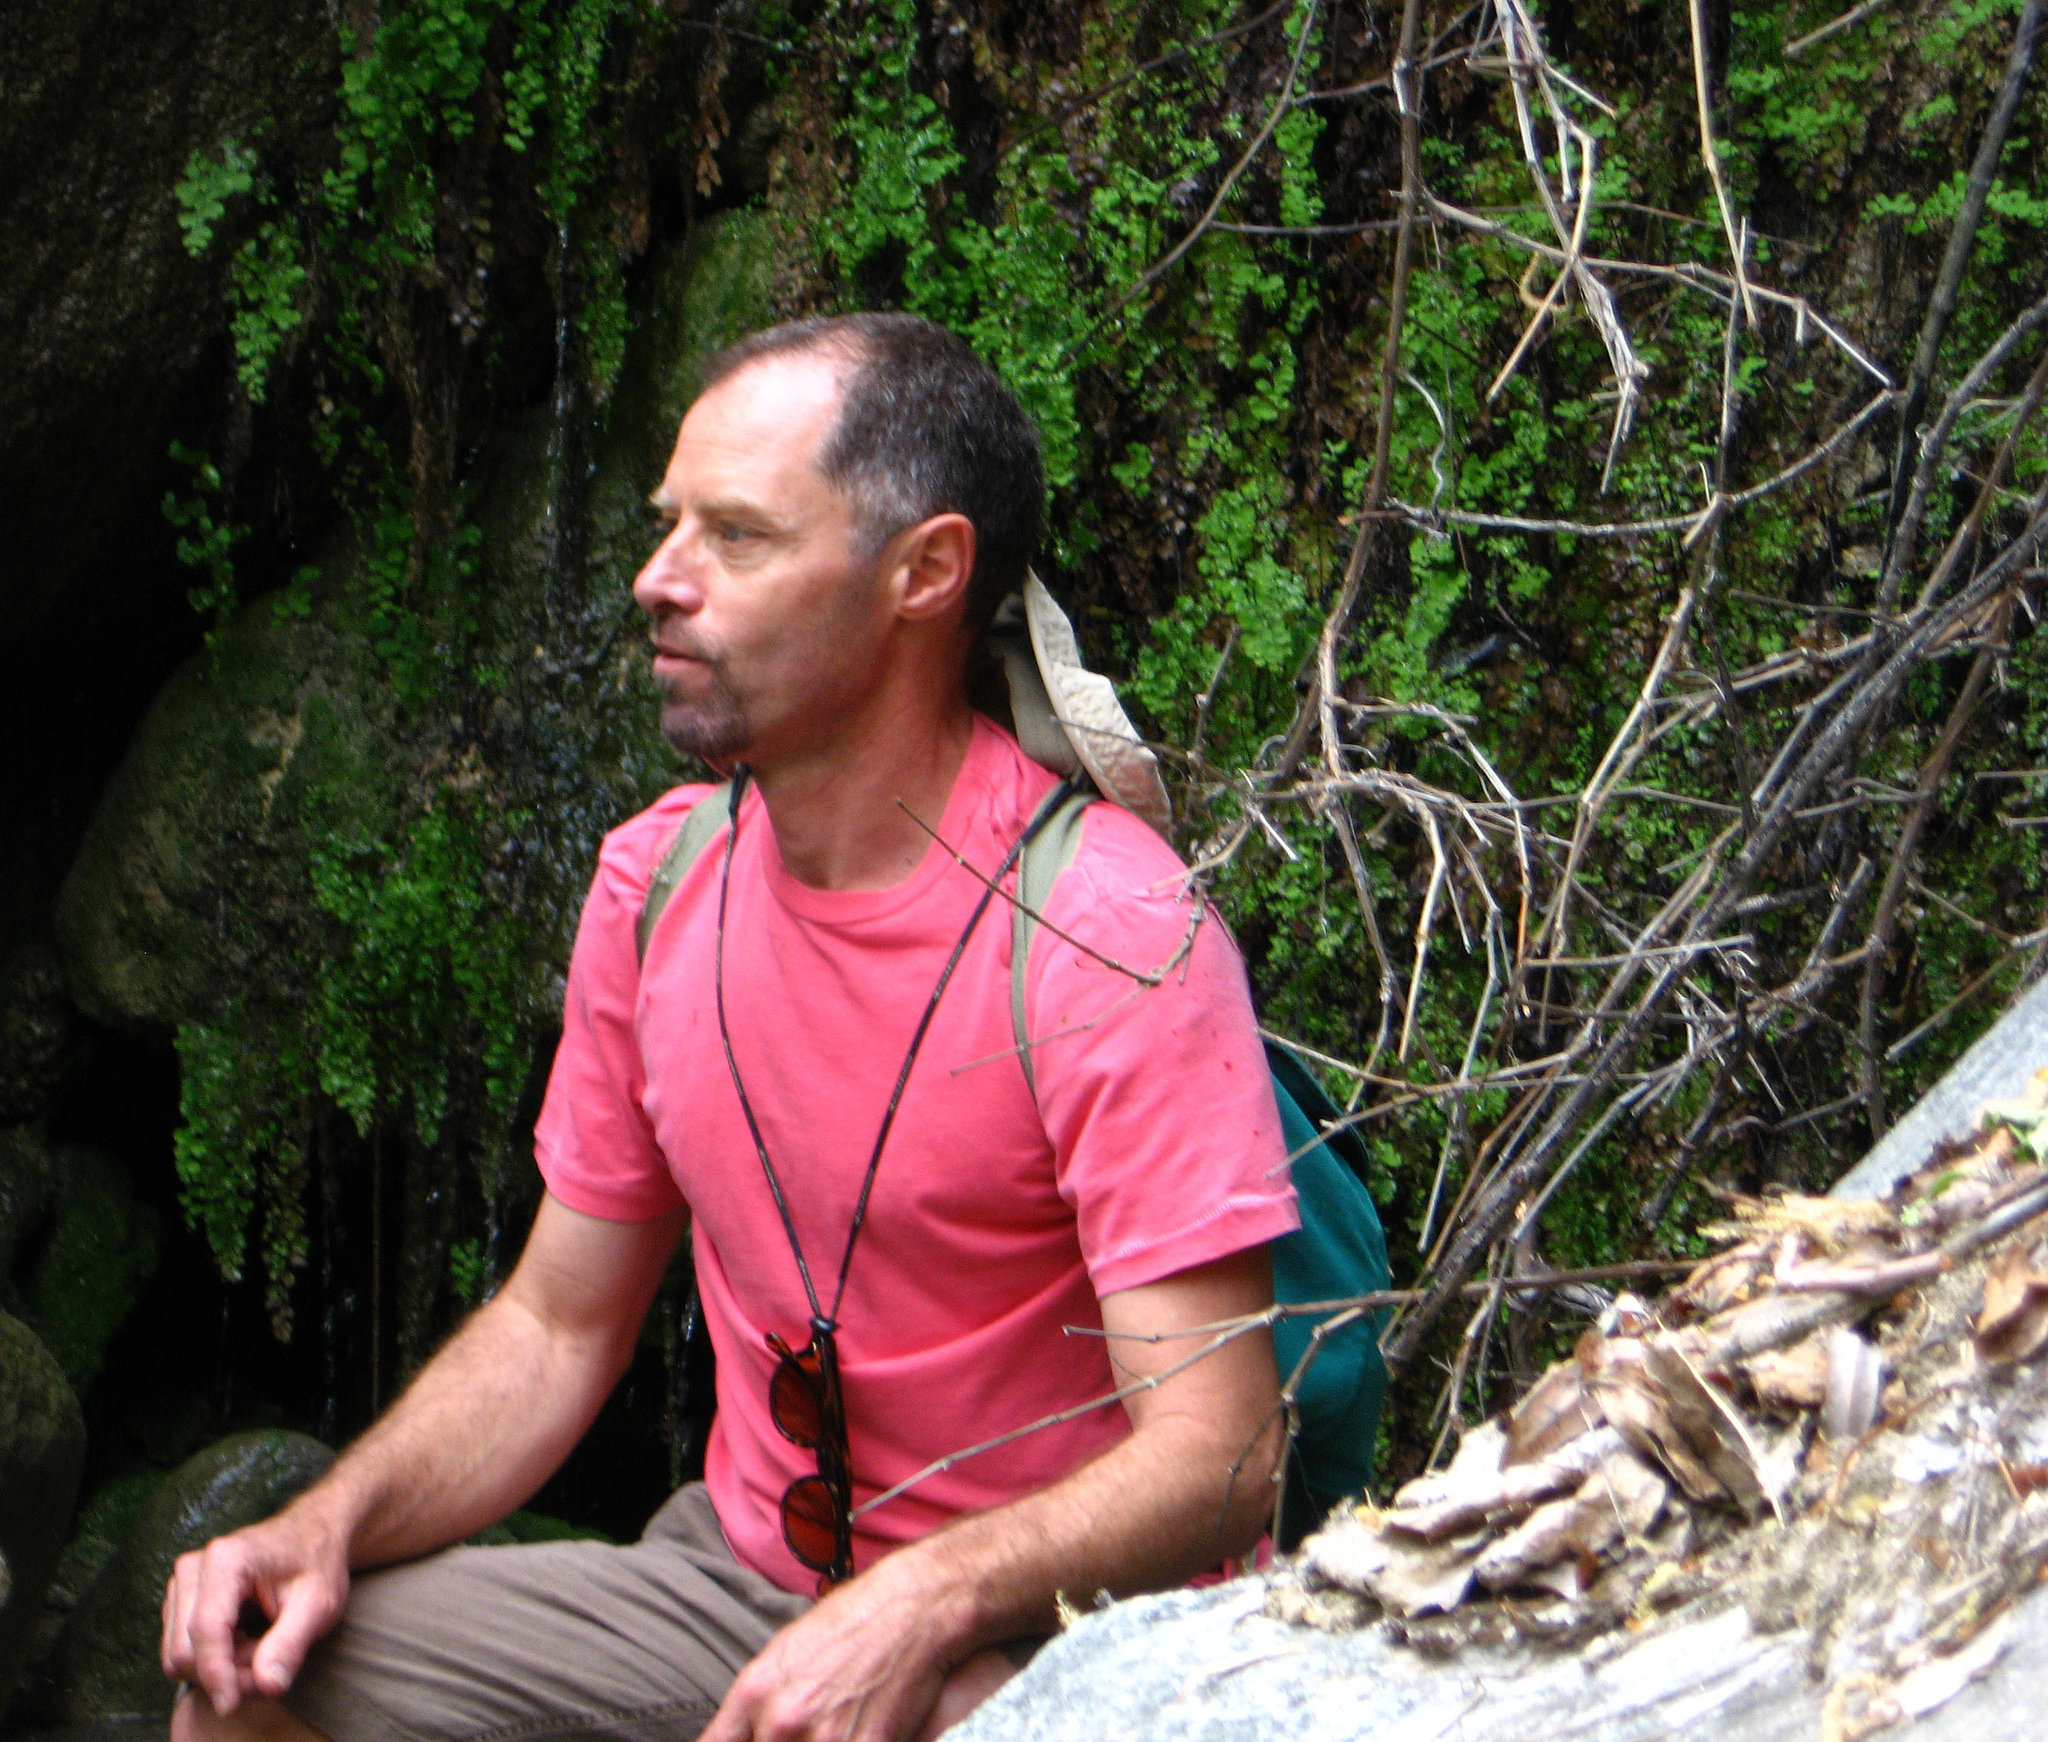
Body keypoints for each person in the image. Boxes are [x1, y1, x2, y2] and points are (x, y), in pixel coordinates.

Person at [159, 312, 1299, 1742]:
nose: (656, 581)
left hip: (1048, 1634)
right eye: (665, 526)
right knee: (259, 1680)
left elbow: (1226, 1450)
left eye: (737, 538)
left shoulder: (1107, 933)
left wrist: (926, 1597)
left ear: (925, 574)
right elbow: (558, 1324)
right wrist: (324, 1520)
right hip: (743, 1578)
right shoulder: (657, 885)